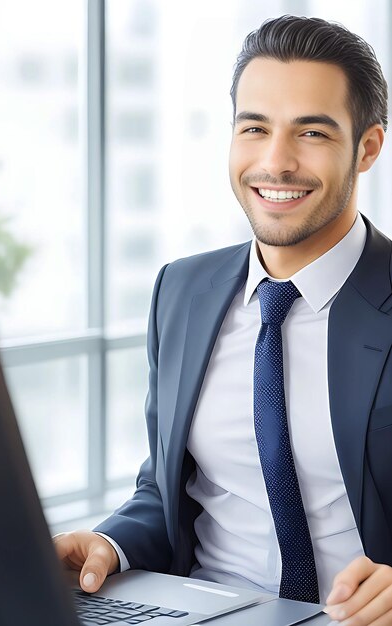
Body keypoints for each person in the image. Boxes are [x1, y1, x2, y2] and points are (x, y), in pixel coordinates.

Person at [55, 15, 392, 625]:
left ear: (367, 147)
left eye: (311, 132)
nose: (276, 162)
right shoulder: (181, 290)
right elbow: (168, 489)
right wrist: (113, 544)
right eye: (254, 128)